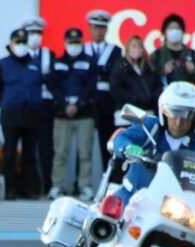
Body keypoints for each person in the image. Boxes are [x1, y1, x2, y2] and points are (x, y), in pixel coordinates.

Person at [113, 81, 195, 207]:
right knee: (109, 218)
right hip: (133, 197)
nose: (178, 122)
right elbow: (122, 138)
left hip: (175, 208)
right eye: (174, 113)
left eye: (187, 114)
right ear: (163, 113)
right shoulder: (150, 127)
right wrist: (127, 147)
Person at [47, 28, 97, 201]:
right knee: (60, 152)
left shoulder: (90, 62)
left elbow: (91, 86)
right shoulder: (57, 62)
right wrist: (65, 104)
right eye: (71, 43)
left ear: (82, 43)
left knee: (85, 153)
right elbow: (52, 86)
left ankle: (85, 187)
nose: (74, 46)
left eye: (77, 42)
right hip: (62, 114)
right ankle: (57, 186)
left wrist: (78, 104)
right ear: (65, 43)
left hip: (84, 114)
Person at [0, 28, 42, 200]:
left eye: (23, 42)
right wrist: (6, 104)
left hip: (31, 115)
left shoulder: (36, 62)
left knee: (29, 154)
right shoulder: (3, 63)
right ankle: (11, 190)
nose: (21, 45)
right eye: (17, 42)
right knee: (10, 154)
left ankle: (27, 190)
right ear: (11, 44)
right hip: (11, 115)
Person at [108, 35, 162, 183]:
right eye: (133, 46)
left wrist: (150, 99)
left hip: (146, 117)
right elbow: (116, 89)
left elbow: (156, 88)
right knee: (123, 150)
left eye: (139, 47)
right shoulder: (120, 67)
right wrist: (136, 99)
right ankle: (117, 182)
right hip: (125, 116)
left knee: (145, 153)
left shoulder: (148, 68)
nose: (137, 50)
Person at [84, 10, 121, 170]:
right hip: (86, 103)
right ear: (90, 29)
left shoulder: (115, 50)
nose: (98, 31)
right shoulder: (83, 49)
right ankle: (82, 185)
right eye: (95, 27)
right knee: (83, 147)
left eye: (102, 27)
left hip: (106, 104)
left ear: (106, 30)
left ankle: (109, 181)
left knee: (107, 145)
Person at [22, 17, 56, 195]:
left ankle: (48, 185)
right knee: (28, 148)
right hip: (26, 106)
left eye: (38, 33)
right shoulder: (20, 54)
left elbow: (52, 80)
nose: (35, 37)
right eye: (31, 33)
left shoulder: (48, 54)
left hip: (45, 105)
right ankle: (30, 186)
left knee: (46, 148)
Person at [149, 13, 195, 88]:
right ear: (165, 32)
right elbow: (148, 81)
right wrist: (163, 72)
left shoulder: (192, 54)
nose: (175, 31)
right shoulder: (157, 55)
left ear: (183, 32)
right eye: (171, 28)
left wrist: (192, 72)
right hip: (165, 97)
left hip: (186, 96)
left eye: (178, 28)